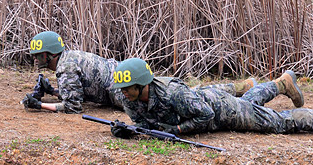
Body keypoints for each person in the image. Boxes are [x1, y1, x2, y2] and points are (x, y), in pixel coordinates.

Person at [109, 57, 313, 142]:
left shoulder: (173, 93)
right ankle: (281, 84)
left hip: (221, 109)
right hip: (208, 100)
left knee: (277, 123)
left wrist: (177, 130)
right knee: (252, 105)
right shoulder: (130, 99)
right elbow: (145, 124)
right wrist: (128, 131)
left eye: (127, 88)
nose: (122, 93)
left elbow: (206, 116)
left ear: (141, 84)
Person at [21, 31, 262, 114]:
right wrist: (52, 90)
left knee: (188, 96)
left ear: (48, 55)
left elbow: (73, 107)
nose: (34, 58)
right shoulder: (69, 58)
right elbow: (78, 93)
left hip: (121, 90)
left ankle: (242, 88)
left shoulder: (64, 67)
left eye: (37, 54)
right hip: (125, 81)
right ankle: (242, 88)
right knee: (187, 92)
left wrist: (39, 106)